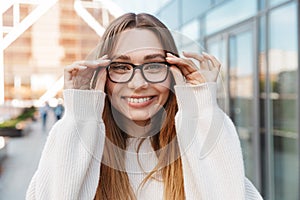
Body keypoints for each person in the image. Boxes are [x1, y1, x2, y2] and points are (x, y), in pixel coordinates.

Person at [26, 13, 263, 199]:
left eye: (153, 66)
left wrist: (202, 110)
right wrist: (80, 117)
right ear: (102, 76)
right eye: (120, 67)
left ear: (174, 73)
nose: (138, 84)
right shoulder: (75, 151)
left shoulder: (199, 153)